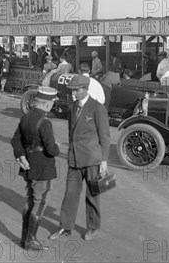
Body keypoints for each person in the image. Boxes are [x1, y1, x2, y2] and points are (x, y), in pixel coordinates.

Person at [50, 75, 110, 242]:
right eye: (72, 90)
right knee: (70, 194)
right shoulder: (73, 107)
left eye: (76, 90)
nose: (73, 93)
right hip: (74, 159)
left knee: (93, 195)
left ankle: (92, 227)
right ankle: (65, 227)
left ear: (85, 89)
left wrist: (104, 161)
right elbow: (71, 132)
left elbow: (105, 136)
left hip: (92, 159)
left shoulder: (98, 108)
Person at [11, 86, 60, 251]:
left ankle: (25, 238)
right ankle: (31, 240)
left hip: (27, 164)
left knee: (30, 199)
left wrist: (21, 156)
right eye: (52, 102)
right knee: (40, 202)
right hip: (42, 167)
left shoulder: (26, 117)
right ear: (47, 104)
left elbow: (15, 140)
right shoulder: (45, 122)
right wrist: (57, 148)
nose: (53, 105)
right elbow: (51, 149)